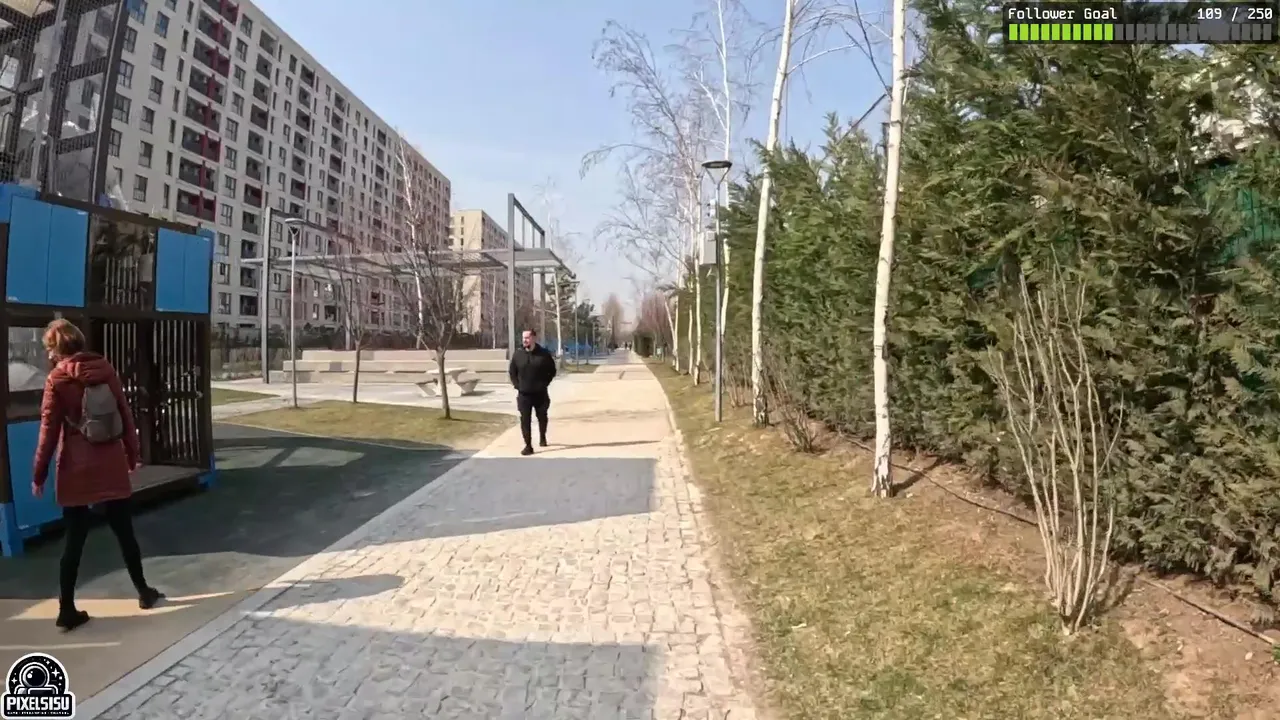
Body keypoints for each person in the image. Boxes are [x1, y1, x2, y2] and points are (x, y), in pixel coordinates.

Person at [33, 319, 163, 631]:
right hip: (110, 462)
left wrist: (39, 474)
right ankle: (144, 592)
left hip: (76, 467)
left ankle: (67, 609)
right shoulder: (106, 369)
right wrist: (132, 454)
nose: (49, 355)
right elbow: (125, 413)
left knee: (74, 541)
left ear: (57, 350)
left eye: (50, 349)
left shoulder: (56, 379)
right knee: (124, 532)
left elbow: (48, 430)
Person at [508, 329, 557, 456]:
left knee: (542, 417)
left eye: (527, 337)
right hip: (524, 394)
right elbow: (512, 372)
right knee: (525, 420)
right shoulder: (518, 354)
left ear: (534, 338)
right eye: (523, 338)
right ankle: (528, 445)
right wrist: (517, 385)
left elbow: (552, 370)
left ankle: (542, 437)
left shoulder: (544, 354)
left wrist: (544, 383)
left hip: (540, 393)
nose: (524, 340)